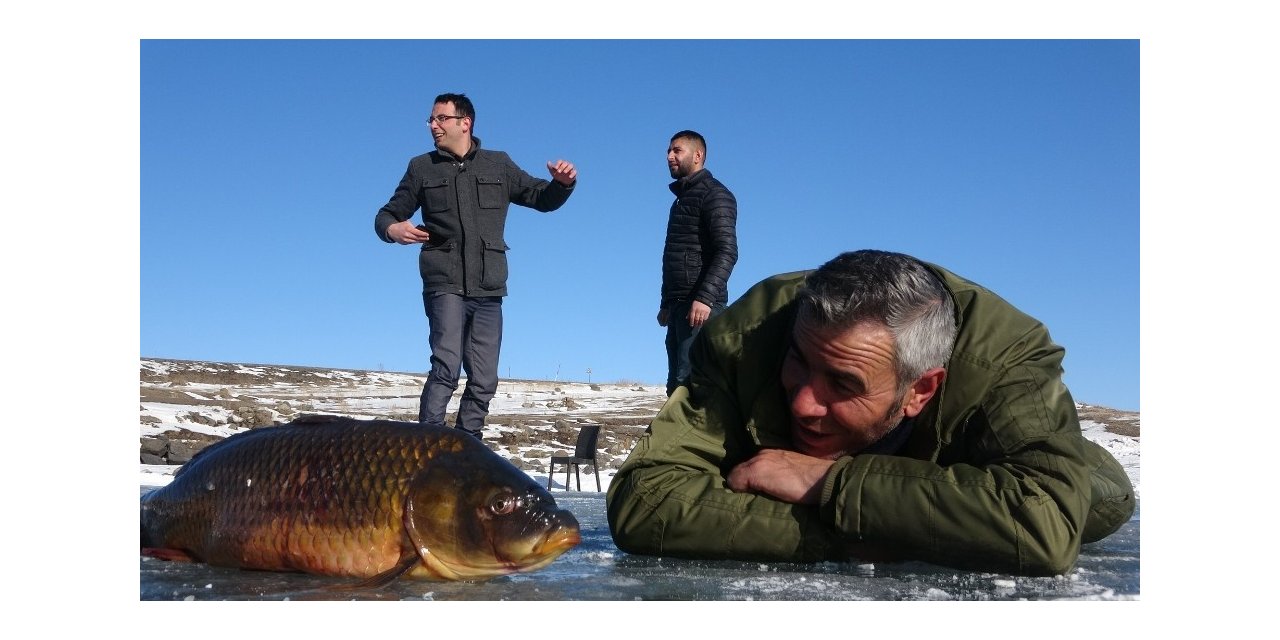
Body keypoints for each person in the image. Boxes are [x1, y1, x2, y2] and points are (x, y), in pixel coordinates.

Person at [607, 249, 1135, 576]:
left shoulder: (1006, 358)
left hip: (1006, 452)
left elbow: (1043, 519)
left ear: (921, 391)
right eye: (798, 362)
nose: (803, 402)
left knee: (1104, 499)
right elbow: (647, 500)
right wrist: (861, 529)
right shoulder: (748, 337)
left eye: (843, 383)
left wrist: (833, 485)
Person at [374, 93, 577, 437]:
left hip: (488, 287)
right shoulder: (421, 167)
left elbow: (541, 198)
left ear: (464, 122)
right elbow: (386, 215)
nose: (432, 125)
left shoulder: (499, 165)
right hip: (445, 284)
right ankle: (428, 448)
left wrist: (563, 184)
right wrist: (393, 229)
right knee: (445, 368)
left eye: (440, 118)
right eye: (431, 120)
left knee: (484, 379)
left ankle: (468, 452)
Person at [658, 130, 738, 396]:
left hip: (702, 308)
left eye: (676, 150)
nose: (670, 156)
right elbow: (675, 254)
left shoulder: (715, 195)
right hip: (680, 307)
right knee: (676, 388)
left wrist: (704, 298)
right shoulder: (680, 201)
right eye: (669, 151)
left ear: (698, 155)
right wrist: (666, 303)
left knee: (692, 386)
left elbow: (727, 251)